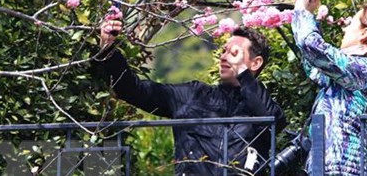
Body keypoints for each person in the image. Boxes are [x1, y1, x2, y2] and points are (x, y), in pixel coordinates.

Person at [95, 18, 286, 176]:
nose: (225, 57)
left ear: (255, 63)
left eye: (234, 53)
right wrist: (108, 50)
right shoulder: (193, 94)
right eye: (224, 51)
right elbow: (132, 90)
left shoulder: (260, 106)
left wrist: (243, 73)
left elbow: (274, 121)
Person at [292, 0, 367, 175]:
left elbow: (311, 45)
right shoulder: (360, 74)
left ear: (365, 33)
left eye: (351, 24)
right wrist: (310, 15)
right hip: (329, 167)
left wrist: (301, 12)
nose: (345, 29)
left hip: (340, 167)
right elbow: (315, 65)